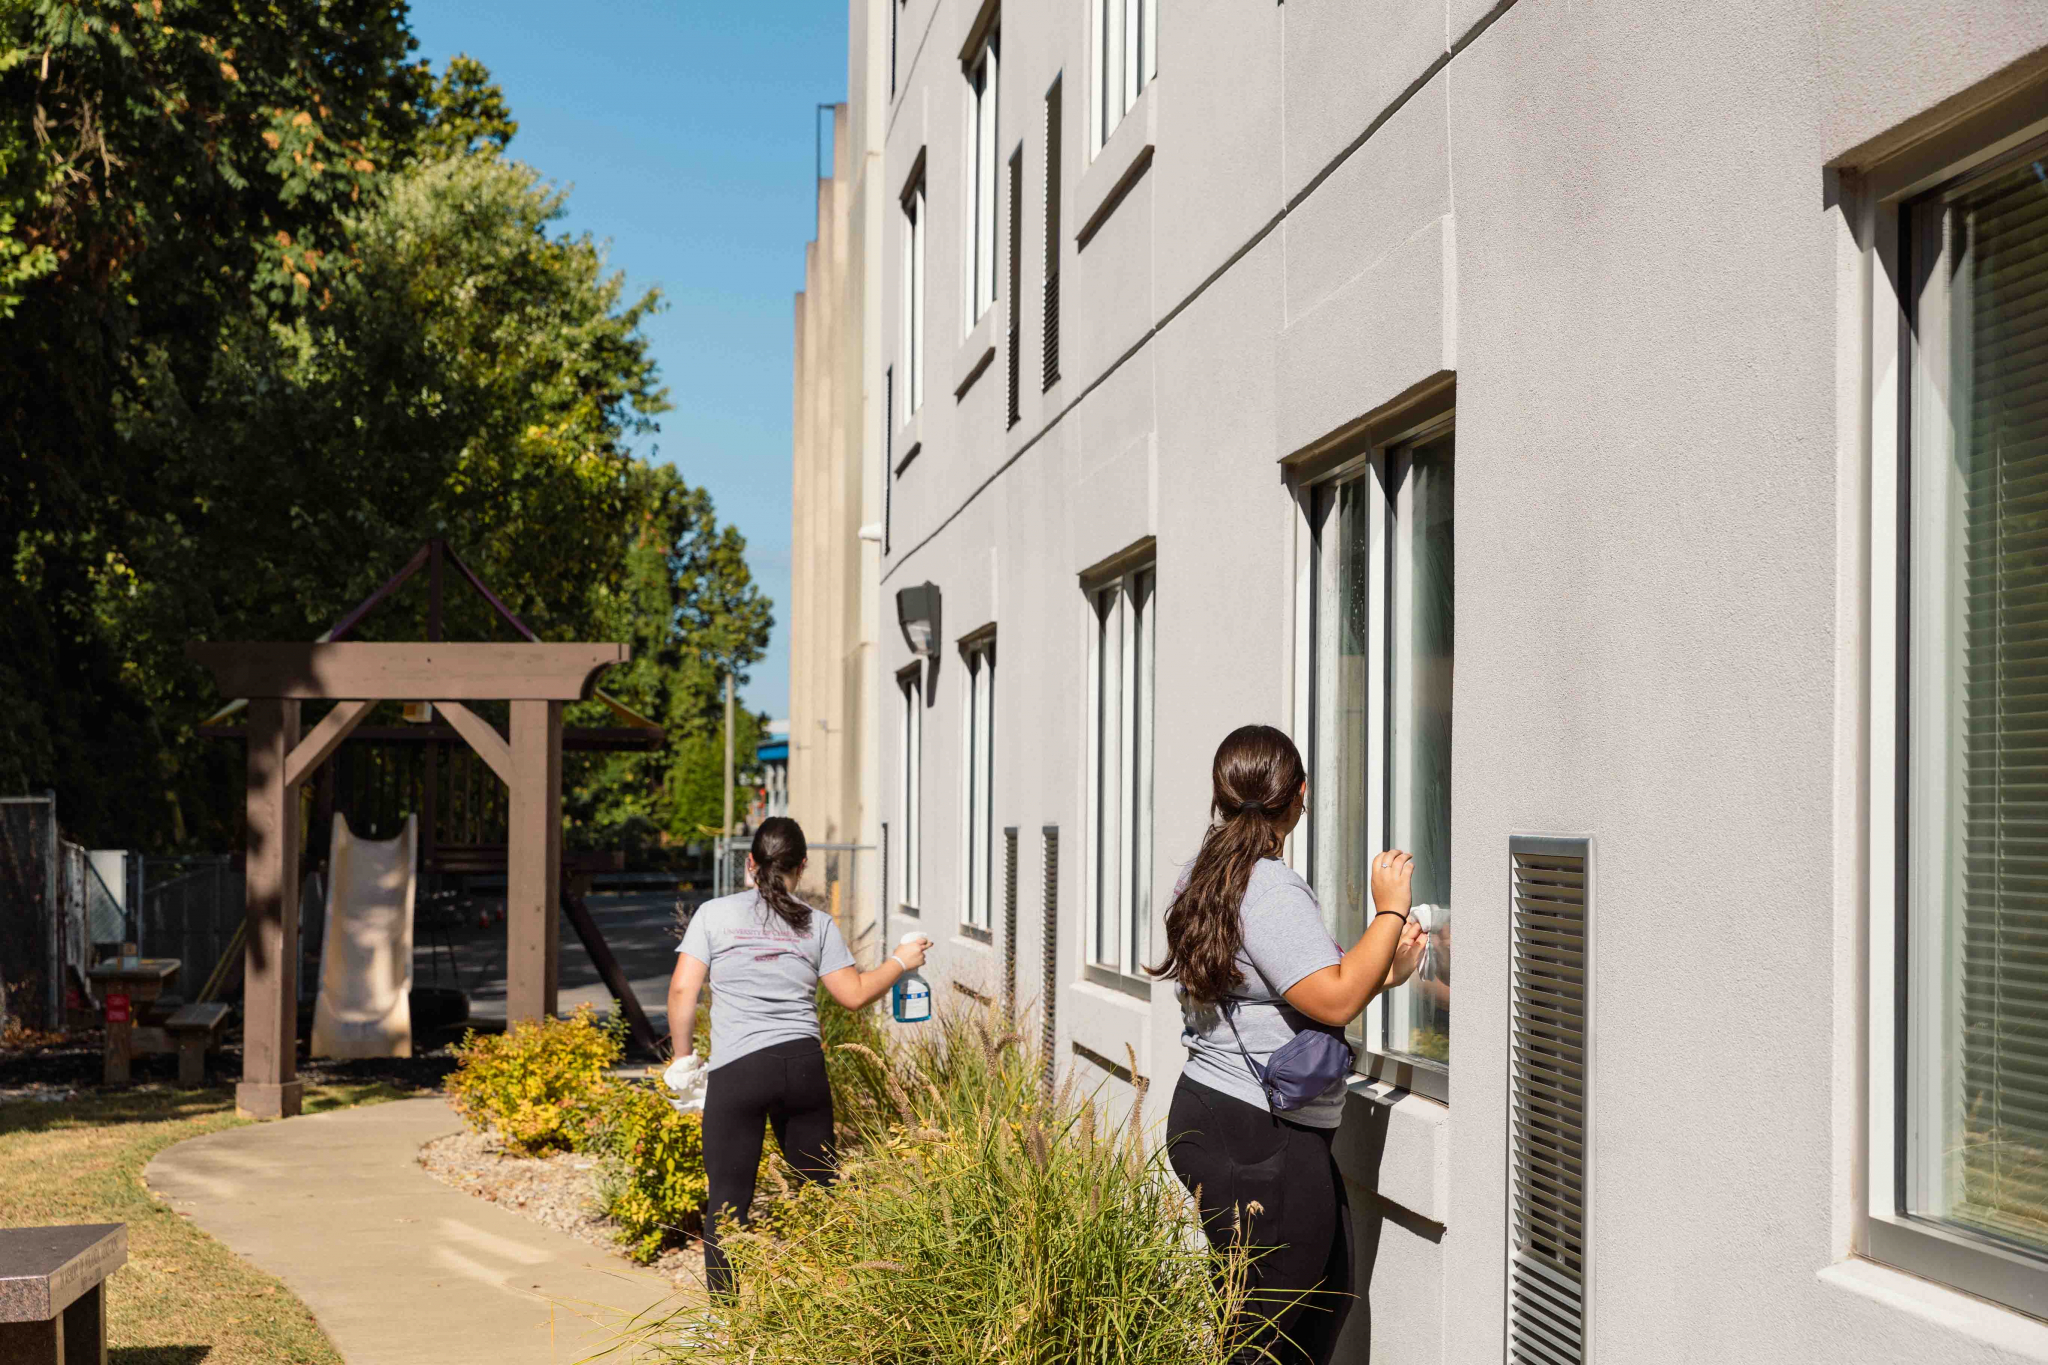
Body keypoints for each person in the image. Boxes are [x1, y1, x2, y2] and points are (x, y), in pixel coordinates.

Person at [1149, 725, 1425, 1365]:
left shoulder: (1205, 876)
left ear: (1220, 793)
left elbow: (1287, 991)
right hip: (1258, 1131)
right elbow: (1333, 999)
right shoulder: (1268, 886)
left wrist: (1384, 973)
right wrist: (1389, 911)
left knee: (1320, 1300)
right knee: (1267, 1337)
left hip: (1224, 1116)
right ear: (1300, 794)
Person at [665, 816, 932, 1296]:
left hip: (737, 1071)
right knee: (820, 1191)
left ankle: (725, 1318)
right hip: (801, 1067)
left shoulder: (713, 915)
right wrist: (900, 961)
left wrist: (684, 1062)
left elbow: (684, 990)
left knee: (727, 1199)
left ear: (750, 863)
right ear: (802, 866)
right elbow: (853, 994)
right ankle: (836, 1303)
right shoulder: (817, 923)